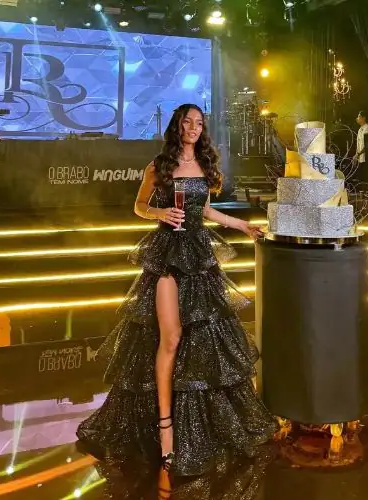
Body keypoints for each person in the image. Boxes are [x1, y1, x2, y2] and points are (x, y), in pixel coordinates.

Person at [77, 104, 278, 476]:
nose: (193, 128)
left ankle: (196, 420)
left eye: (199, 123)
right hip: (168, 253)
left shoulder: (204, 165)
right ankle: (165, 426)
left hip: (199, 256)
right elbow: (139, 205)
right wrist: (160, 213)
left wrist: (242, 226)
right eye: (188, 121)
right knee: (170, 338)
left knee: (200, 340)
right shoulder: (159, 166)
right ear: (178, 125)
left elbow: (207, 212)